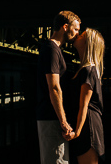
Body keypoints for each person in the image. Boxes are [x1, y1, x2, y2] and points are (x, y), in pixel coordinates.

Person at [37, 10, 81, 164]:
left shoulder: (54, 50)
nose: (77, 34)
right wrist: (63, 121)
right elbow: (54, 87)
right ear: (65, 27)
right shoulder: (51, 50)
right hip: (52, 119)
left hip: (52, 118)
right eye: (75, 29)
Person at [65, 28, 105, 163]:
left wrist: (77, 132)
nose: (77, 34)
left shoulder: (89, 70)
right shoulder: (85, 69)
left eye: (81, 35)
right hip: (84, 124)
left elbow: (84, 105)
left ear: (88, 43)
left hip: (88, 126)